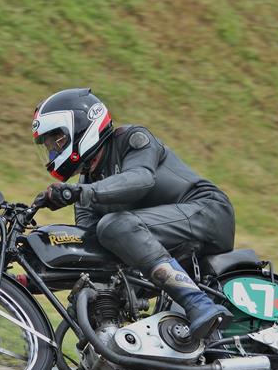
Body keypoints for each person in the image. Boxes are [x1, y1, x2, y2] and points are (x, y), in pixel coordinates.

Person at [33, 88, 235, 340]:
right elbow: (90, 254)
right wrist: (32, 277)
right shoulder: (86, 187)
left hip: (207, 211)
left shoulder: (131, 139)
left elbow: (140, 179)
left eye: (57, 141)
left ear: (82, 126)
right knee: (107, 285)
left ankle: (200, 304)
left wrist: (78, 192)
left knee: (115, 225)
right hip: (165, 240)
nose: (53, 151)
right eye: (49, 146)